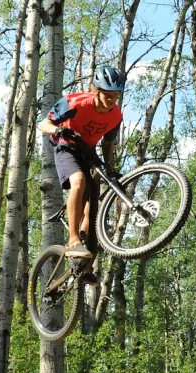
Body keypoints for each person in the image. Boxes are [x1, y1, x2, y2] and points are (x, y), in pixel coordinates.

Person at [38, 65, 125, 259]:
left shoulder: (116, 116)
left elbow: (107, 144)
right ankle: (73, 240)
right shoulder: (75, 103)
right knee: (79, 181)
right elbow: (43, 124)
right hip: (66, 146)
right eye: (108, 95)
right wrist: (57, 130)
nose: (112, 100)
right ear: (96, 91)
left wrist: (110, 168)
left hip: (88, 151)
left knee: (93, 202)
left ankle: (84, 262)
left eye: (116, 95)